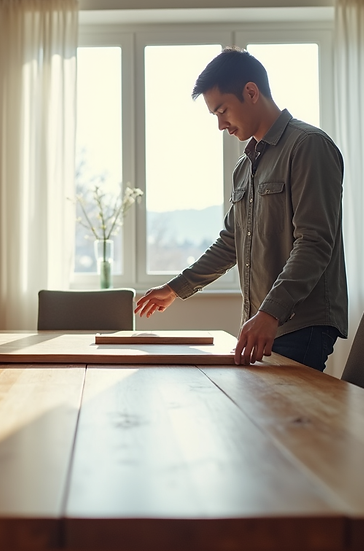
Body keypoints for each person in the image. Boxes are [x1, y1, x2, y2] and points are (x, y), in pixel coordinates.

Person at [134, 48, 347, 371]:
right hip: (264, 324)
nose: (221, 125)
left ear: (250, 92)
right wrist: (176, 288)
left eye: (223, 111)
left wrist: (270, 312)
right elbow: (231, 243)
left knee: (282, 421)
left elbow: (315, 243)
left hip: (301, 325)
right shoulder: (244, 167)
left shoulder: (308, 146)